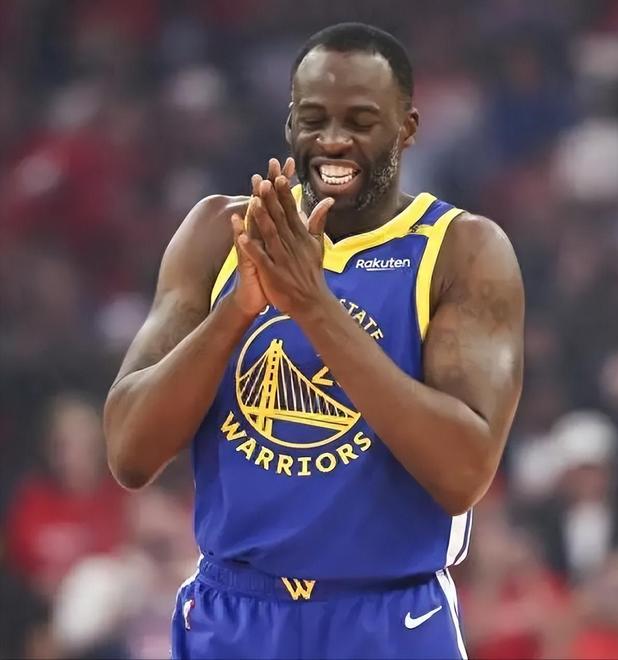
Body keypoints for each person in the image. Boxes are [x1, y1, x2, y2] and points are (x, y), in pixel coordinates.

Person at [104, 22, 524, 659]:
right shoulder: (220, 233)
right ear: (289, 124)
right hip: (234, 613)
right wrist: (237, 311)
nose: (333, 139)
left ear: (407, 127)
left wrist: (312, 305)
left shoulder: (461, 250)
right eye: (314, 119)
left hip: (388, 617)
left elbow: (461, 472)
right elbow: (130, 455)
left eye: (361, 120)